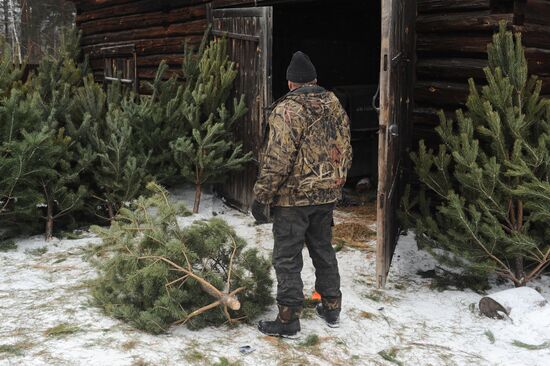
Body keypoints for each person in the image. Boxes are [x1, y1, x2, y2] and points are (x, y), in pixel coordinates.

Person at [251, 51, 352, 337]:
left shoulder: (288, 110)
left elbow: (277, 159)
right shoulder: (334, 104)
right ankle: (332, 307)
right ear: (315, 80)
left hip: (293, 200)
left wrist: (262, 196)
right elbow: (346, 149)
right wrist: (337, 184)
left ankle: (288, 320)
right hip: (326, 195)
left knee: (287, 257)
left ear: (290, 84)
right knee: (323, 248)